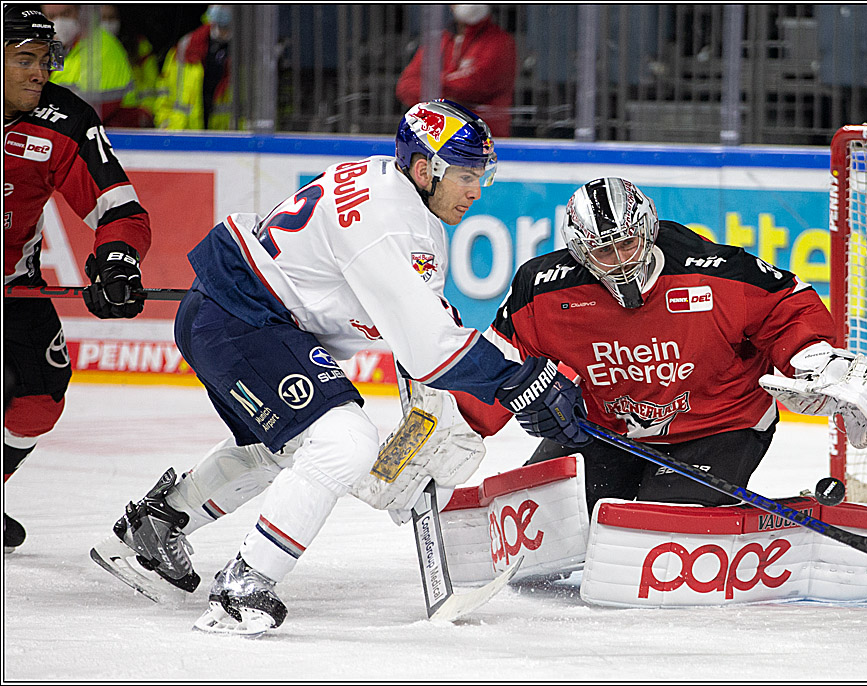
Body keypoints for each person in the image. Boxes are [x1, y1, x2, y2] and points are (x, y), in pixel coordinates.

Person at [90, 99, 587, 636]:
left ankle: (158, 526)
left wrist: (490, 383)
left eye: (482, 175)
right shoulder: (388, 222)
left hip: (242, 313)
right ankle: (244, 584)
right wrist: (518, 382)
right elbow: (428, 347)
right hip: (242, 318)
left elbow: (422, 324)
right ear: (426, 170)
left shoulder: (397, 199)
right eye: (467, 175)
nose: (477, 190)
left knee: (291, 446)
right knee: (342, 442)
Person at [453, 177, 867, 515]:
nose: (621, 259)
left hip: (718, 427)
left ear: (648, 228)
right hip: (605, 431)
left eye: (628, 242)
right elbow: (502, 363)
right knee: (545, 515)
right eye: (604, 251)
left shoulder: (714, 272)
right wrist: (451, 430)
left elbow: (785, 307)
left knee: (659, 516)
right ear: (580, 253)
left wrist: (814, 360)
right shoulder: (541, 291)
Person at [4, 7, 151, 552]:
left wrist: (117, 260)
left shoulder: (63, 118)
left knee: (39, 398)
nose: (38, 73)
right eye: (24, 60)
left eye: (44, 60)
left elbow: (121, 211)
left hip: (14, 289)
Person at [396, 5, 516, 137]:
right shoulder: (439, 41)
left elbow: (474, 86)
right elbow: (405, 86)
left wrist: (433, 87)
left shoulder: (500, 42)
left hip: (483, 138)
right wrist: (450, 96)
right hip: (437, 138)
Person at [40, 4, 134, 125]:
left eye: (66, 14)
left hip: (113, 134)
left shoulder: (101, 46)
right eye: (51, 16)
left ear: (81, 12)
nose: (59, 22)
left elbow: (93, 110)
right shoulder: (58, 48)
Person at [153, 4, 232, 130]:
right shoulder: (187, 46)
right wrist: (165, 124)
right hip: (183, 137)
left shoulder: (251, 52)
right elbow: (164, 92)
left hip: (230, 141)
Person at [99, 4, 161, 127]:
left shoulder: (139, 46)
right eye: (103, 18)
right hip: (103, 117)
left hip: (133, 118)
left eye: (112, 18)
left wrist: (146, 111)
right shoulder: (85, 49)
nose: (107, 23)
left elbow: (152, 87)